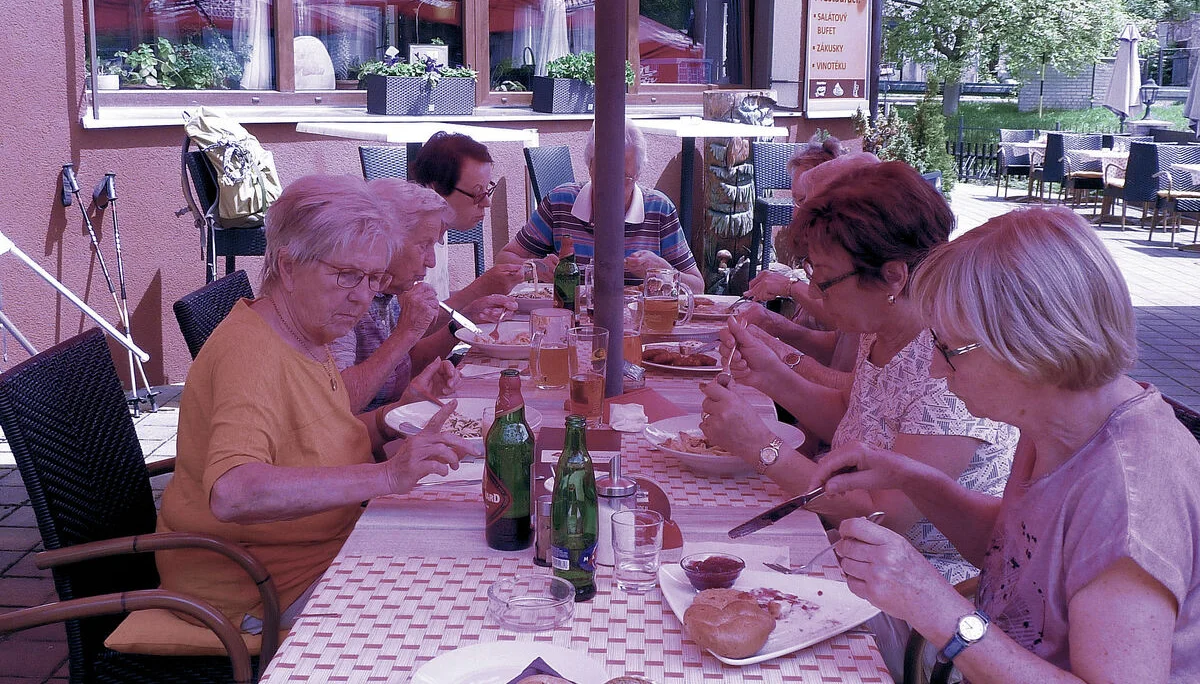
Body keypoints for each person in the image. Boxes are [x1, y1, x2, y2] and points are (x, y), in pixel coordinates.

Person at [810, 206, 1200, 682]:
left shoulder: (1127, 495)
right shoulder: (1059, 422)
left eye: (949, 349)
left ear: (1030, 345)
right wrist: (910, 477)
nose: (934, 368)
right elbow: (1017, 555)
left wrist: (936, 608)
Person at [156, 174, 475, 636]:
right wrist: (386, 475)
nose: (363, 296)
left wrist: (391, 418)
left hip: (326, 549)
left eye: (373, 279)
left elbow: (317, 433)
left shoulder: (307, 331)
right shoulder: (252, 354)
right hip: (261, 587)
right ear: (287, 266)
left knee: (469, 557)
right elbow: (234, 491)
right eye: (347, 275)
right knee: (450, 613)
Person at [701, 162, 1017, 587]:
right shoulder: (884, 326)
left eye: (824, 280)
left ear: (893, 275)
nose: (811, 293)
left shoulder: (952, 363)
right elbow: (858, 420)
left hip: (919, 587)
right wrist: (772, 375)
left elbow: (881, 513)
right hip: (844, 548)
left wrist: (761, 446)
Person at [333, 178, 512, 413]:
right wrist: (407, 332)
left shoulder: (388, 291)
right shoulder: (345, 296)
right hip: (363, 441)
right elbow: (341, 404)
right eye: (423, 246)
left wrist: (458, 324)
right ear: (384, 241)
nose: (431, 260)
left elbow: (400, 368)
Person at [496, 118, 704, 292]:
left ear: (638, 174)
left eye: (622, 177)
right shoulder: (560, 202)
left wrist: (664, 271)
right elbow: (504, 259)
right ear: (589, 167)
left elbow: (697, 286)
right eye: (602, 172)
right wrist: (536, 268)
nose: (609, 185)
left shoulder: (659, 209)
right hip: (572, 325)